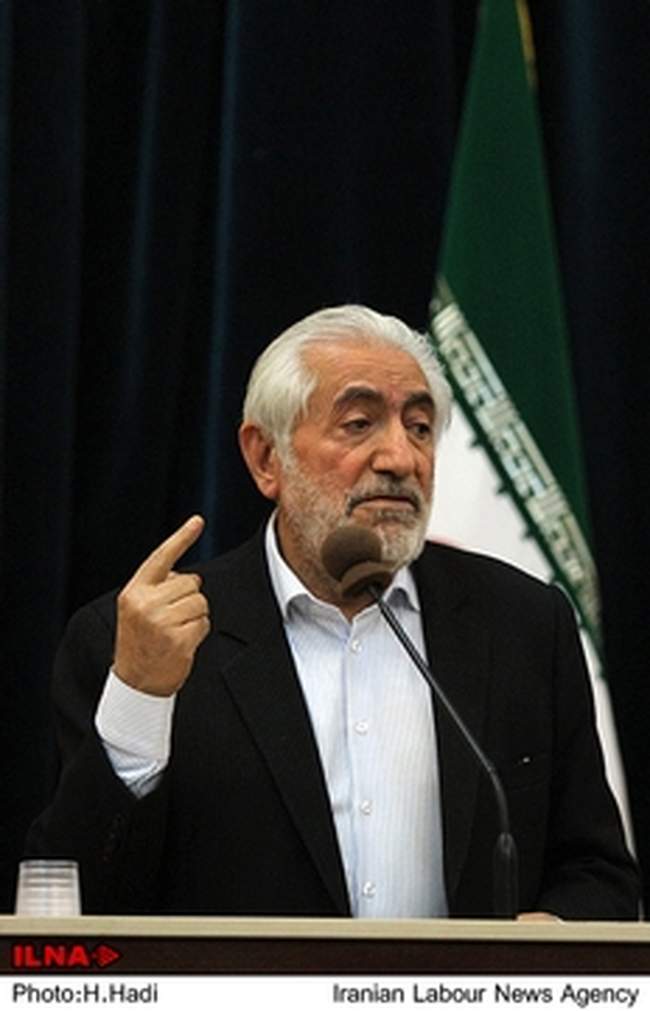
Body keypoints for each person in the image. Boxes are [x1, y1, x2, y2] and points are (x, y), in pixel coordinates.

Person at [26, 305, 639, 920]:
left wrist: (551, 935)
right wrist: (140, 697)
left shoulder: (524, 625)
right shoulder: (146, 640)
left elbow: (599, 873)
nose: (400, 458)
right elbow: (72, 905)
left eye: (420, 427)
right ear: (266, 458)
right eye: (359, 423)